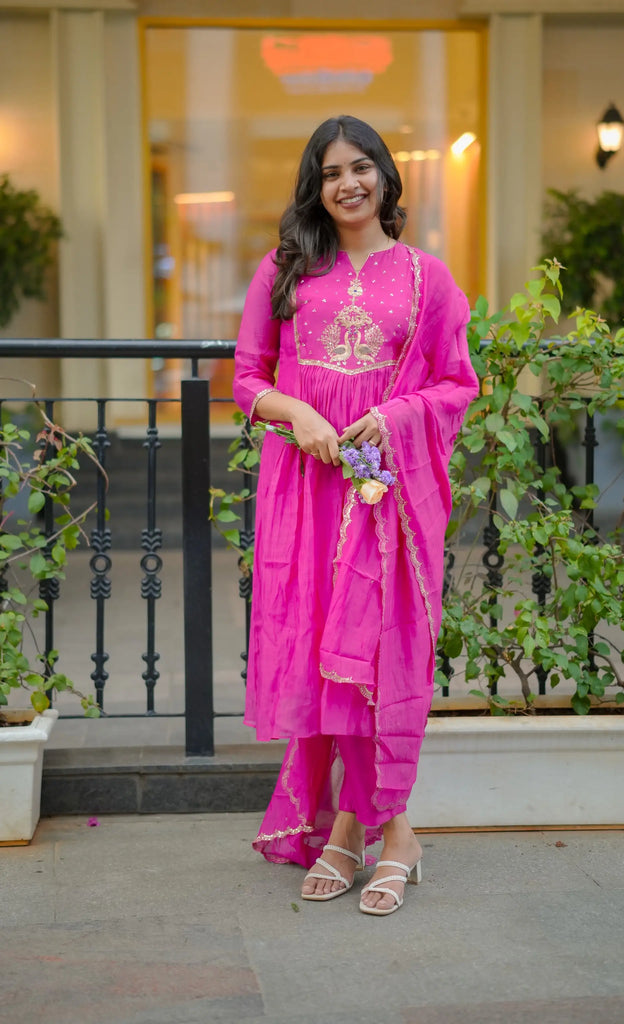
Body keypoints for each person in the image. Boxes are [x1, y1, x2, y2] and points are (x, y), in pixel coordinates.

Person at [233, 115, 479, 916]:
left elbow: (455, 384)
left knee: (376, 655)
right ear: (315, 184)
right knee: (322, 656)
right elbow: (246, 378)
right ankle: (373, 830)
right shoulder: (285, 268)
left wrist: (400, 416)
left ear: (385, 176)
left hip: (387, 499)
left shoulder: (424, 277)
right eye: (331, 171)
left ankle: (366, 827)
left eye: (361, 167)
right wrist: (295, 415)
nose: (348, 183)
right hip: (307, 492)